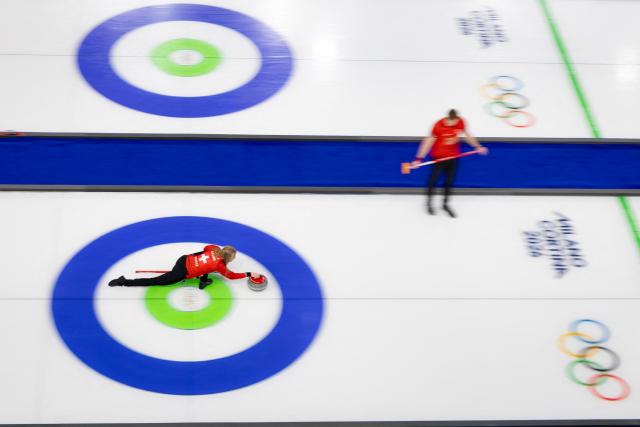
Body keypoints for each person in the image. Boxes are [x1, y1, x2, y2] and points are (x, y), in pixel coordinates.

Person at [412, 109, 488, 217]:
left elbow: (467, 135)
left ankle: (445, 204)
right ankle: (429, 203)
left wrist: (478, 146)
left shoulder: (460, 122)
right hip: (439, 158)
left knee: (449, 181)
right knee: (433, 181)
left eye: (456, 122)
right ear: (448, 119)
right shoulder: (438, 125)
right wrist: (418, 158)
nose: (454, 124)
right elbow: (428, 142)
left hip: (453, 157)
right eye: (452, 122)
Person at [108, 244, 264, 289]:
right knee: (155, 281)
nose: (234, 259)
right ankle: (124, 281)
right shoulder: (221, 266)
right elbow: (231, 276)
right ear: (228, 257)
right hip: (182, 271)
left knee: (207, 266)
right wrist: (250, 274)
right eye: (233, 257)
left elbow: (205, 248)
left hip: (183, 259)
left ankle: (203, 280)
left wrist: (203, 263)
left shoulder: (214, 248)